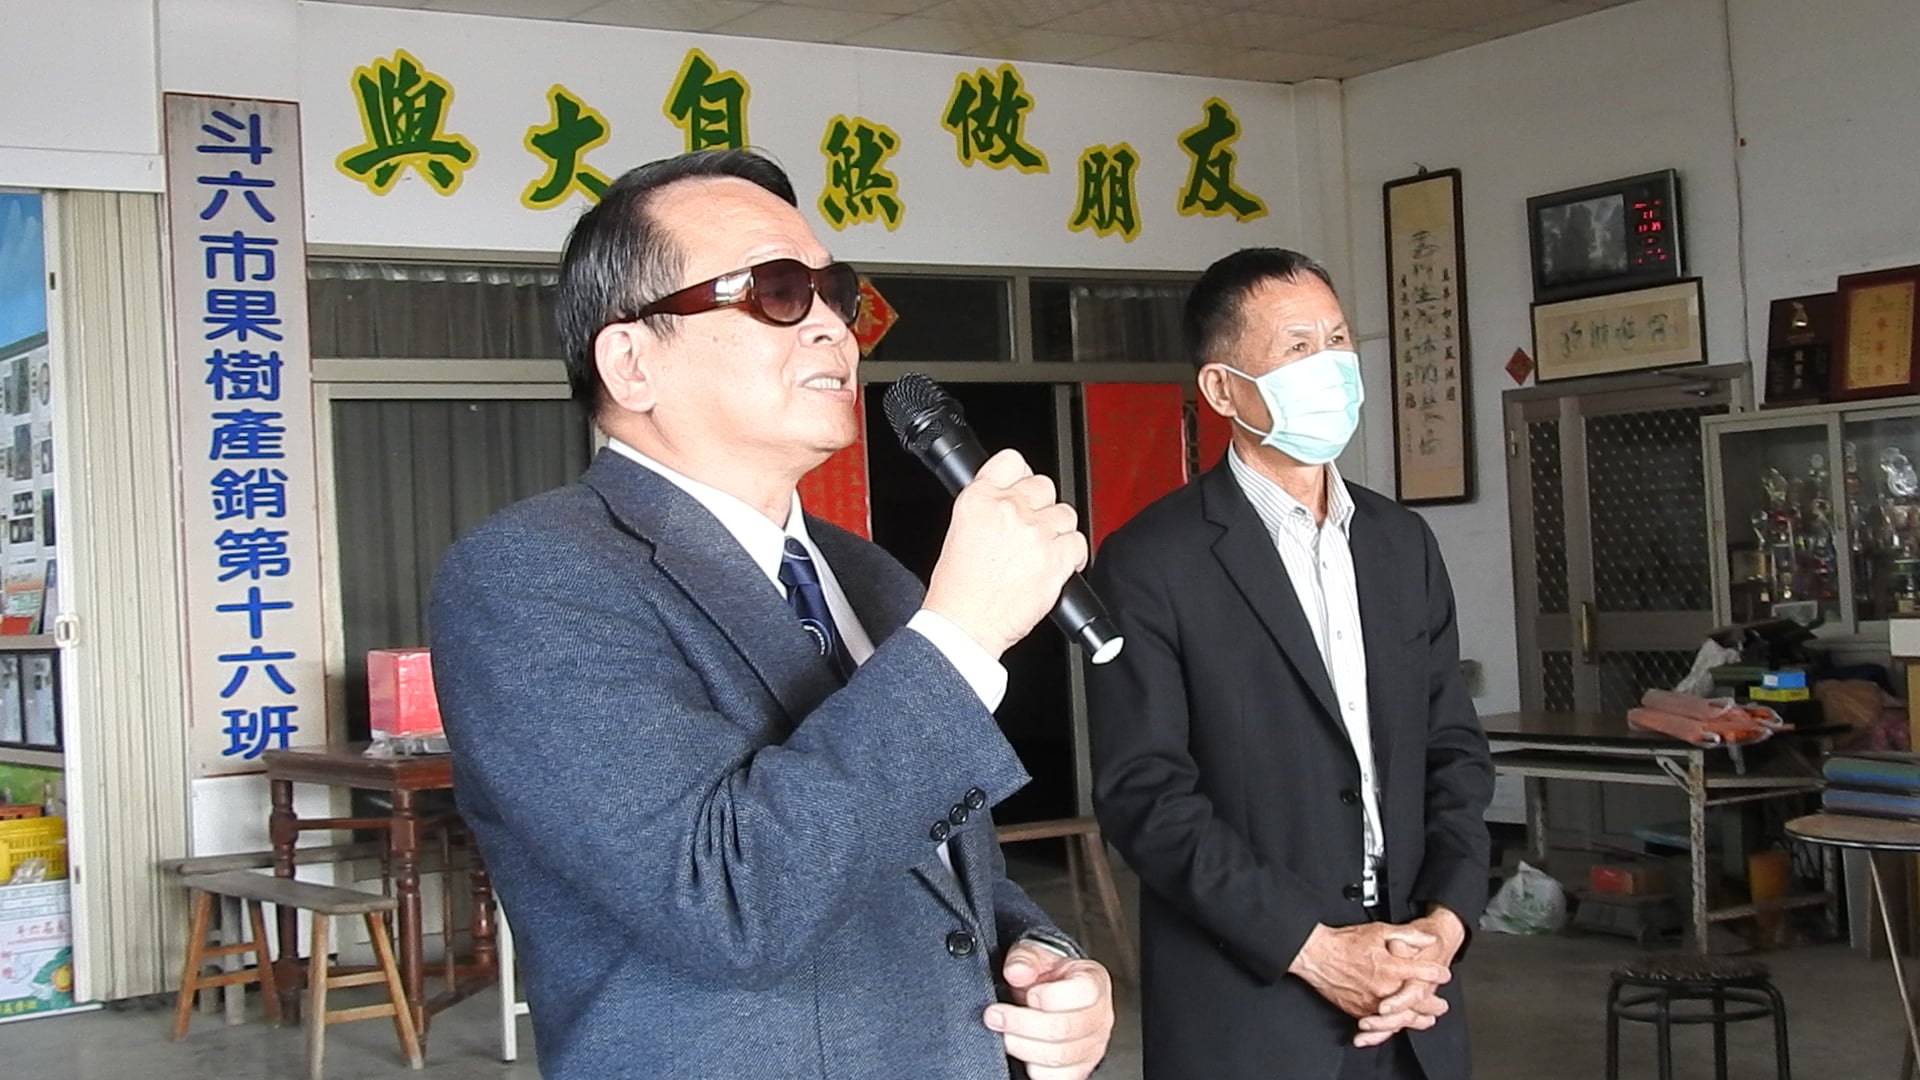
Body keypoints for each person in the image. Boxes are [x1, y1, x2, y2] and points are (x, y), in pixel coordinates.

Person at [430, 149, 1113, 1080]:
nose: (834, 325)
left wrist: (1040, 956)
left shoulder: (868, 576)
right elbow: (723, 898)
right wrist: (961, 637)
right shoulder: (533, 576)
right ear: (631, 362)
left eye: (838, 291)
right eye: (778, 291)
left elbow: (940, 868)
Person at [1085, 248, 1493, 1080]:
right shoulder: (1150, 562)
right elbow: (1146, 796)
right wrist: (1316, 950)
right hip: (1253, 1012)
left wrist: (1443, 926)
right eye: (1298, 347)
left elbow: (1452, 749)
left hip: (1415, 1001)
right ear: (1222, 390)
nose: (1331, 367)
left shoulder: (1401, 544)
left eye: (1338, 340)